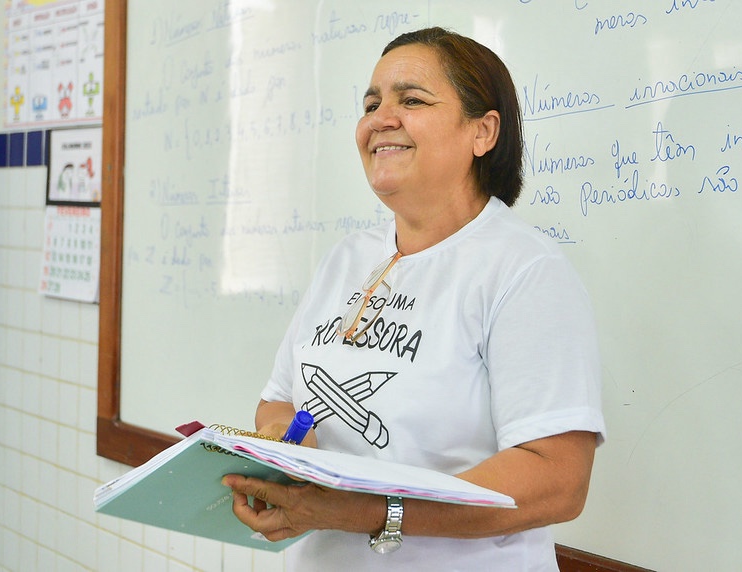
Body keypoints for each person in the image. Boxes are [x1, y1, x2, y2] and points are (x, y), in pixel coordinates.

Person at [222, 27, 605, 571]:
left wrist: (368, 511)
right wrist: (284, 447)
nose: (380, 119)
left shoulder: (523, 269)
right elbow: (279, 400)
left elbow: (557, 480)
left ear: (483, 131)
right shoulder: (347, 259)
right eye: (371, 104)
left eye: (412, 100)